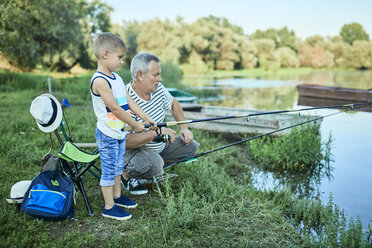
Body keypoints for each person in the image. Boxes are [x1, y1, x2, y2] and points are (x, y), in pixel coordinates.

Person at [91, 33, 156, 220]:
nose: (121, 61)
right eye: (119, 57)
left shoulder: (117, 79)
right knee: (109, 169)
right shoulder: (100, 81)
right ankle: (109, 207)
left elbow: (128, 102)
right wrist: (135, 125)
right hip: (107, 134)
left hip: (118, 133)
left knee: (118, 166)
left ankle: (118, 196)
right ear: (105, 54)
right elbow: (115, 109)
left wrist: (146, 118)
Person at [122, 52, 199, 194]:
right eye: (156, 75)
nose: (160, 79)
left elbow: (174, 104)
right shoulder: (124, 98)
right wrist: (157, 133)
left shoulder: (158, 90)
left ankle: (155, 166)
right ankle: (126, 174)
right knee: (154, 164)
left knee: (192, 147)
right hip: (134, 150)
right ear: (140, 75)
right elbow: (126, 142)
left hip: (160, 147)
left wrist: (184, 128)